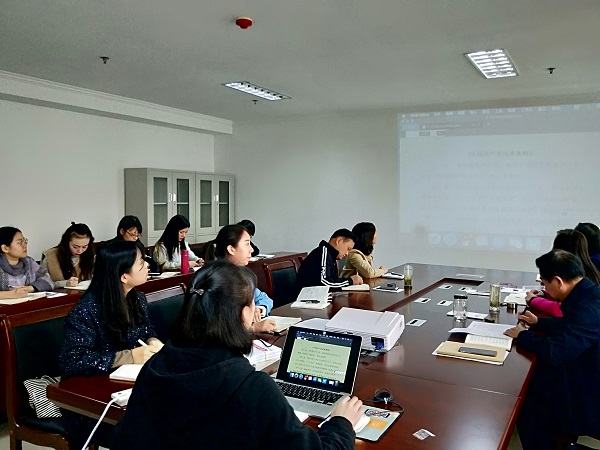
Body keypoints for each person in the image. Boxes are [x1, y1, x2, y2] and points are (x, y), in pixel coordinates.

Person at [111, 260, 363, 450]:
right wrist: (341, 422)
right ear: (244, 315)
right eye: (253, 304)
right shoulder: (249, 387)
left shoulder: (156, 365)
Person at [59, 240, 163, 448]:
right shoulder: (87, 310)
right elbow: (73, 360)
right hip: (90, 402)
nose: (147, 265)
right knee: (150, 428)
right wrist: (129, 356)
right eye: (141, 263)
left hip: (125, 387)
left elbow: (145, 330)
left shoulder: (136, 298)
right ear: (124, 276)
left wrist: (153, 341)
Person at [504, 250, 600, 449]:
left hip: (588, 392)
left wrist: (523, 335)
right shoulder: (588, 293)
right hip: (585, 371)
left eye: (545, 283)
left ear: (558, 281)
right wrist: (539, 322)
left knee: (528, 405)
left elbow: (557, 350)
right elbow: (571, 326)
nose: (545, 289)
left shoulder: (589, 307)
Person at [204, 224, 275, 333]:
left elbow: (264, 298)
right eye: (247, 244)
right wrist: (252, 328)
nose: (251, 249)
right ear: (231, 249)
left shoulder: (242, 276)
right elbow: (220, 326)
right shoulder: (216, 281)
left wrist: (259, 308)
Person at [526, 229, 600, 317]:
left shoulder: (580, 279)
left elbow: (562, 309)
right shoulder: (587, 270)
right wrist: (546, 293)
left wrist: (533, 300)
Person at [297, 229, 363, 291]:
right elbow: (325, 282)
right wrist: (350, 281)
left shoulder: (330, 255)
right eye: (348, 249)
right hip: (307, 297)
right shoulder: (323, 252)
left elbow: (331, 281)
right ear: (339, 241)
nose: (347, 253)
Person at [0, 226, 53, 299]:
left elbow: (48, 281)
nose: (24, 245)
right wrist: (12, 294)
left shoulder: (29, 262)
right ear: (5, 248)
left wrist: (29, 288)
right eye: (19, 243)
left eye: (24, 241)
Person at [41, 222, 95, 288]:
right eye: (75, 247)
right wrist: (64, 283)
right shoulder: (50, 256)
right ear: (66, 242)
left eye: (84, 247)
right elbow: (42, 283)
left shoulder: (90, 255)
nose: (80, 251)